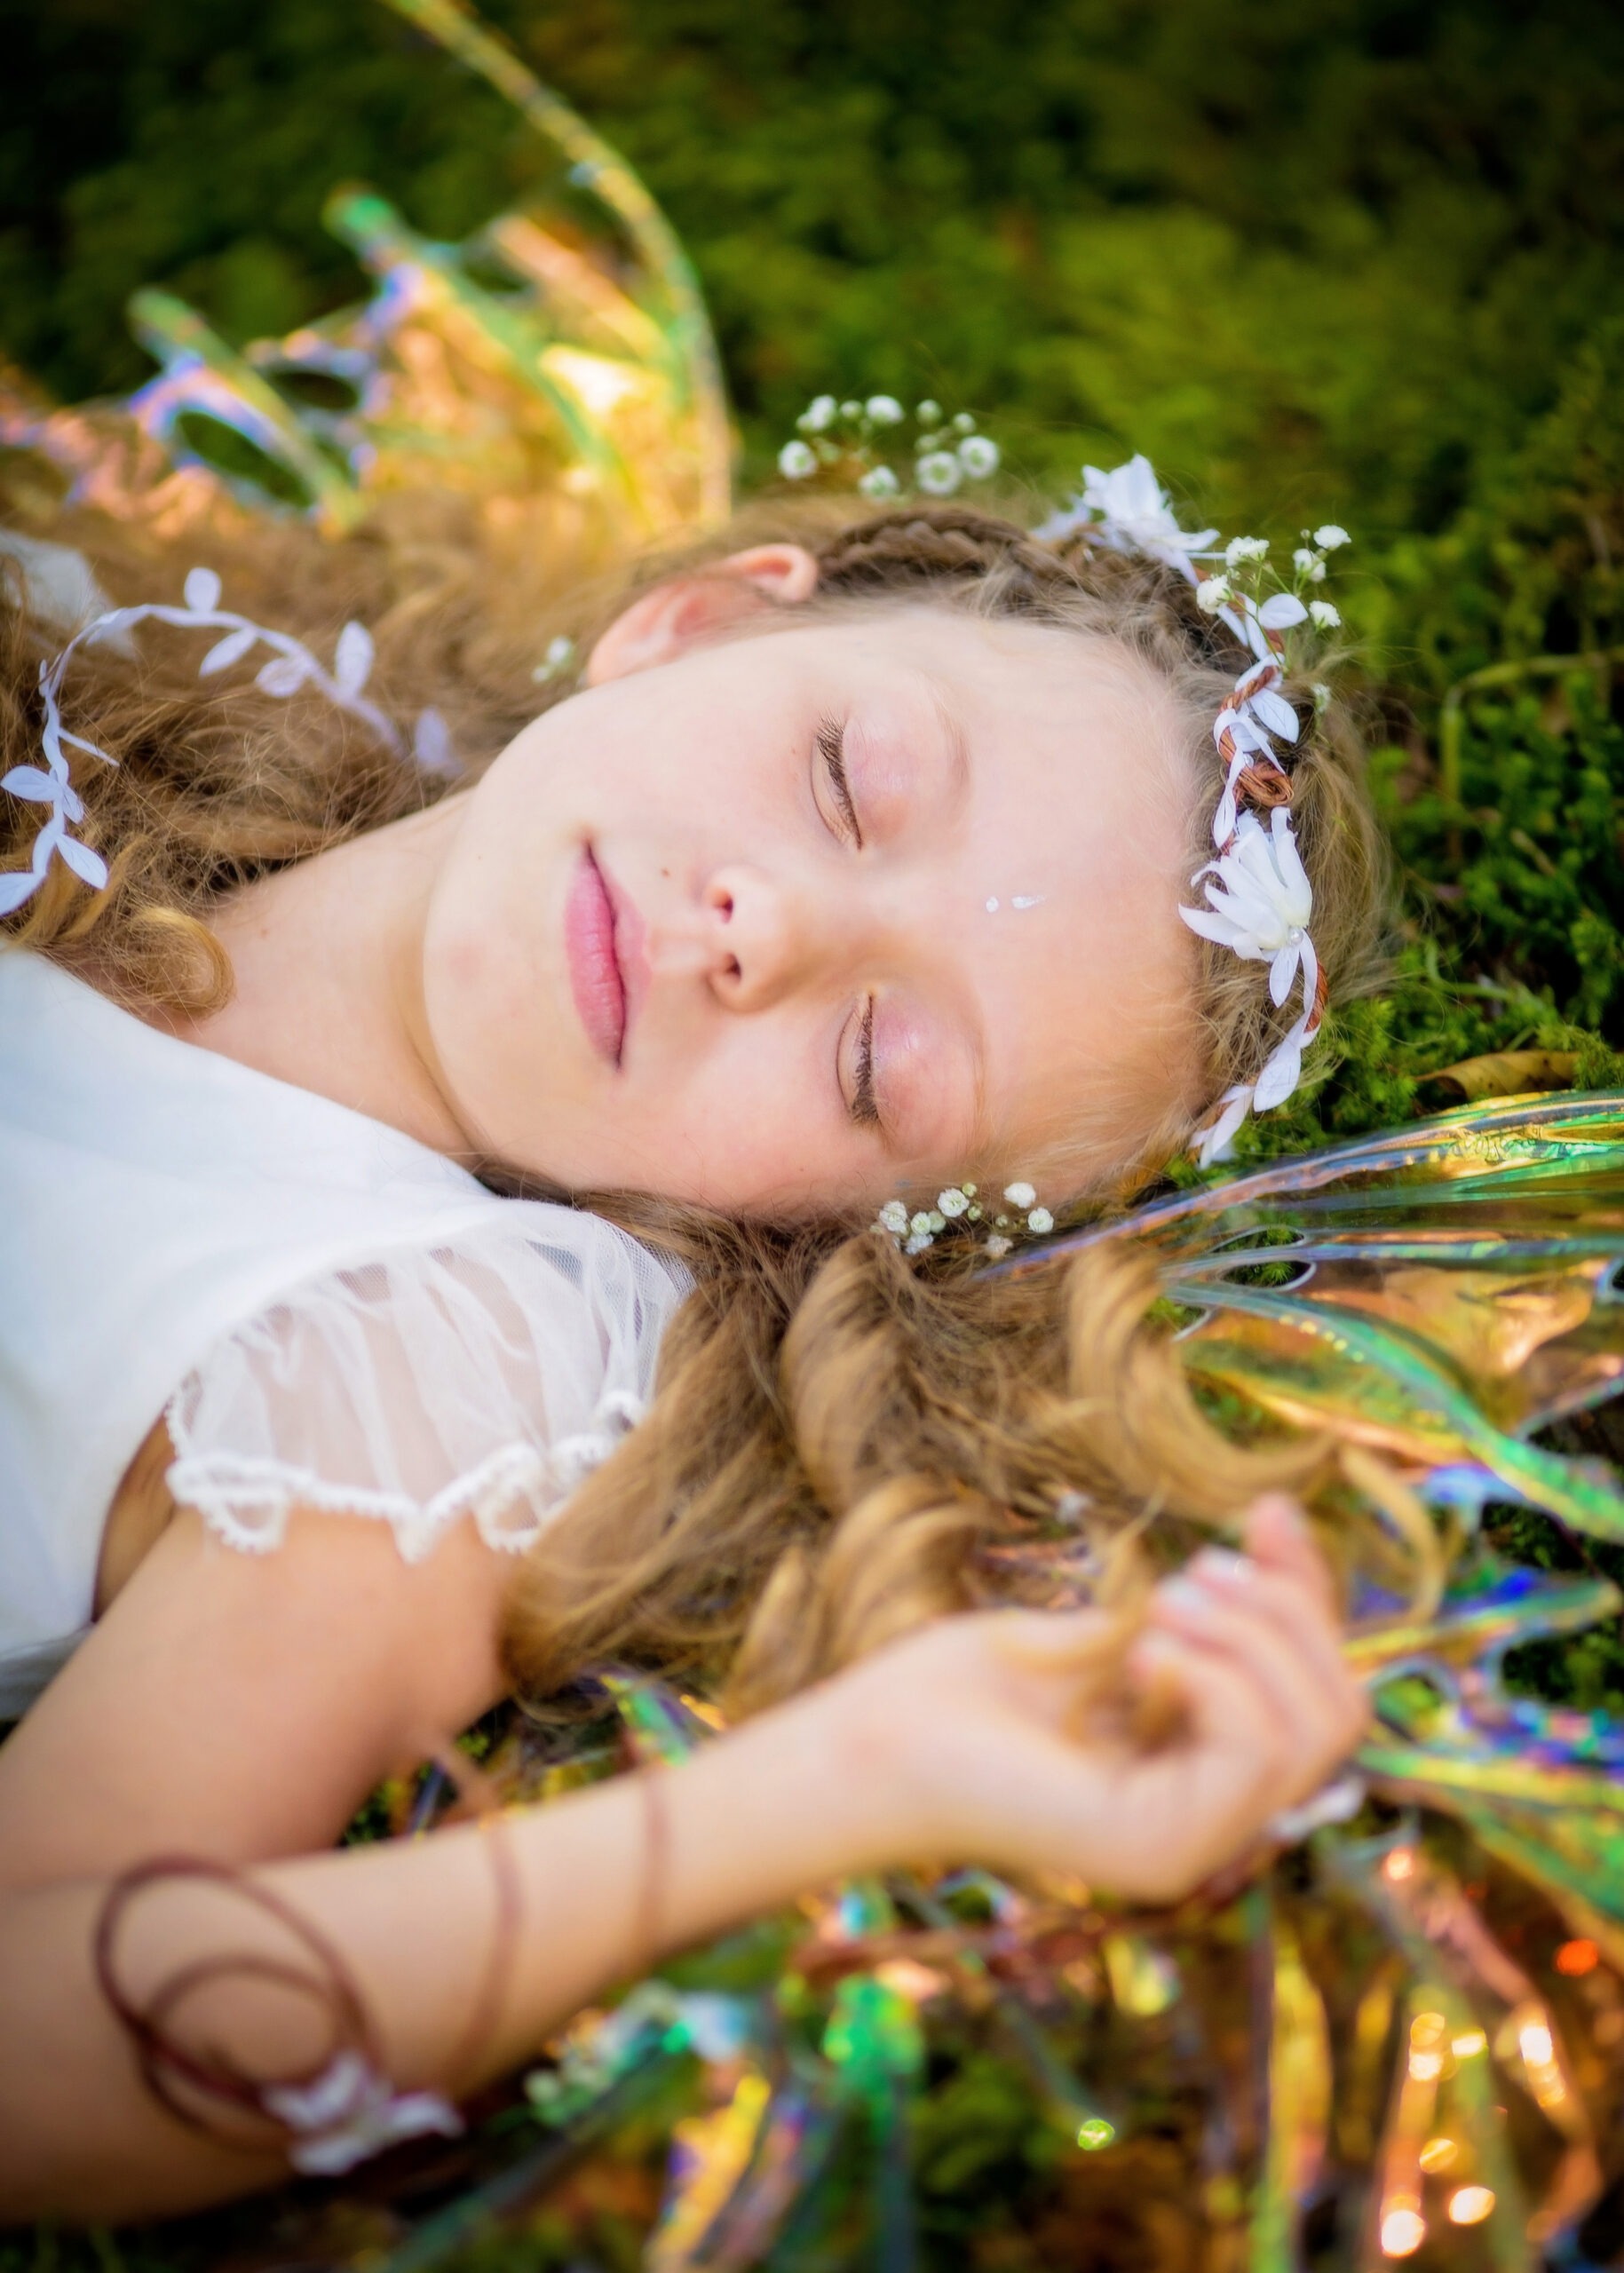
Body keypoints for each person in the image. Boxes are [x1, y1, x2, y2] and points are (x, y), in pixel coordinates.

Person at [0, 487, 1379, 2222]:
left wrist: (829, 1789)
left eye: (874, 1065)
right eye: (843, 782)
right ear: (702, 620)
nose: (765, 928)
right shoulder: (92, 718)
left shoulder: (415, 1363)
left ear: (818, 1224)